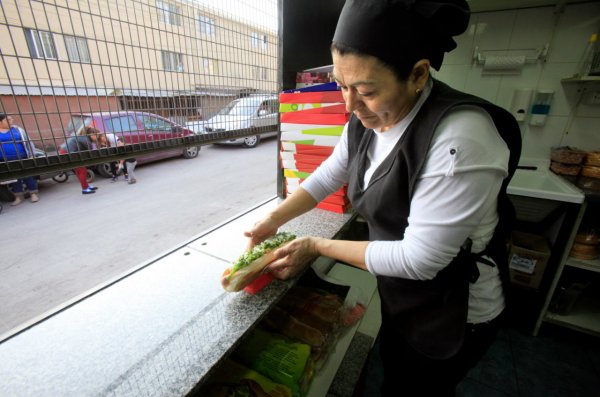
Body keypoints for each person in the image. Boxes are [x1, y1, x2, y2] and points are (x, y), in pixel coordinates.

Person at [244, 0, 522, 395]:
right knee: (395, 374)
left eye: (366, 91)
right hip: (404, 296)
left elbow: (420, 260)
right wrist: (273, 220)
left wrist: (316, 245)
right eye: (341, 85)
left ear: (418, 74)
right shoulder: (368, 119)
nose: (349, 104)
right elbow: (328, 175)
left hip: (454, 310)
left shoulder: (460, 138)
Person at [0, 113, 40, 205]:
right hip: (5, 160)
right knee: (14, 178)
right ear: (1, 122)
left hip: (22, 157)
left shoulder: (18, 130)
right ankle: (18, 197)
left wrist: (32, 154)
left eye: (11, 119)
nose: (11, 121)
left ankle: (33, 194)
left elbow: (28, 142)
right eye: (8, 120)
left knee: (27, 175)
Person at [61, 126, 100, 194]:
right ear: (92, 135)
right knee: (82, 171)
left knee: (79, 170)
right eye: (97, 136)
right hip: (68, 153)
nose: (97, 138)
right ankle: (84, 189)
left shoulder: (84, 138)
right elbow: (91, 153)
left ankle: (86, 186)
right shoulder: (86, 141)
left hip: (68, 152)